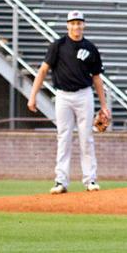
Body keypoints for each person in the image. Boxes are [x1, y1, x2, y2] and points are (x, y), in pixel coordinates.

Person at [27, 10, 110, 194]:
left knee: (86, 138)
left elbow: (97, 78)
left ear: (84, 25)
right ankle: (61, 181)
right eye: (72, 23)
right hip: (63, 96)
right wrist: (33, 96)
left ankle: (90, 180)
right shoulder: (58, 45)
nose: (76, 26)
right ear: (67, 25)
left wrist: (104, 105)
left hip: (84, 95)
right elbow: (42, 71)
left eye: (79, 22)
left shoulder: (90, 48)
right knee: (63, 137)